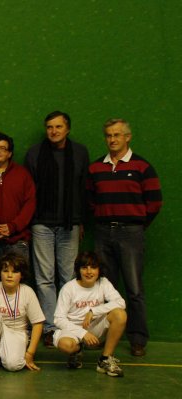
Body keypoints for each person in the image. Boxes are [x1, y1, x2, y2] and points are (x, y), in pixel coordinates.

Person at [87, 118, 161, 357]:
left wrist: (136, 224)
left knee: (134, 288)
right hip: (102, 232)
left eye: (117, 135)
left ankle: (137, 339)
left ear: (127, 137)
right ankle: (100, 335)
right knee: (102, 288)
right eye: (109, 135)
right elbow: (89, 200)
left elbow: (154, 202)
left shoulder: (142, 167)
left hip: (131, 234)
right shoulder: (96, 167)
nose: (112, 139)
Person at [24, 111, 89, 347]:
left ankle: (67, 326)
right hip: (41, 223)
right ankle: (51, 327)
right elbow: (29, 191)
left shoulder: (80, 153)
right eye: (50, 127)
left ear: (67, 129)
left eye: (58, 127)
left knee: (69, 277)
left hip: (69, 224)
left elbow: (83, 189)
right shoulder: (34, 153)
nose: (54, 131)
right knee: (44, 279)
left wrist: (80, 220)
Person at [54, 252, 127, 377]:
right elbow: (58, 319)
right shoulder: (68, 288)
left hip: (95, 327)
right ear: (78, 270)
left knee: (120, 314)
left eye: (93, 267)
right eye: (84, 267)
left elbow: (120, 302)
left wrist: (93, 312)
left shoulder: (103, 283)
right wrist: (83, 333)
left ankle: (104, 360)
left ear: (99, 269)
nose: (89, 272)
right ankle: (76, 351)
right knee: (65, 345)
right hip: (73, 330)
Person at [0, 132, 35, 286]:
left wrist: (12, 227)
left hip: (17, 241)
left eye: (2, 148)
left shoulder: (22, 174)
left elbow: (29, 205)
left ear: (9, 153)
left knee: (20, 288)